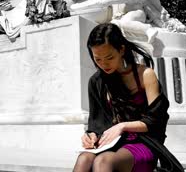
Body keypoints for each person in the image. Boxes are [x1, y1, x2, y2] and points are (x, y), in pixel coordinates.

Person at [73, 23, 173, 172]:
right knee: (84, 159)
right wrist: (90, 135)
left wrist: (122, 126)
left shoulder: (145, 75)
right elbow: (97, 123)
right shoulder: (96, 81)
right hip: (111, 143)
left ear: (121, 50)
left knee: (103, 161)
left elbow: (156, 121)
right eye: (97, 59)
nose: (104, 64)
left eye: (109, 57)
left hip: (144, 142)